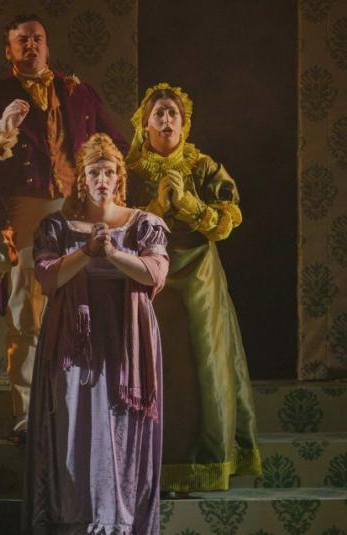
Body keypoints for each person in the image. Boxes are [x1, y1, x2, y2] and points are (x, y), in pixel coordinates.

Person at [0, 13, 128, 437]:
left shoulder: (78, 91)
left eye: (37, 38)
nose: (31, 45)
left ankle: (84, 404)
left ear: (47, 46)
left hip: (79, 206)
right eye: (22, 40)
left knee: (85, 305)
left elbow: (118, 144)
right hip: (25, 208)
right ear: (9, 51)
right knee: (27, 310)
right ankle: (27, 412)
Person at [24, 133, 167, 535]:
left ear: (119, 177)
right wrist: (86, 252)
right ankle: (73, 533)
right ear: (82, 180)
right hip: (74, 344)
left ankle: (116, 531)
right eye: (94, 172)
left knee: (118, 433)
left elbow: (154, 273)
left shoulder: (142, 223)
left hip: (125, 341)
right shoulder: (56, 226)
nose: (102, 179)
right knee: (73, 428)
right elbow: (48, 277)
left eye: (108, 172)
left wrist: (112, 254)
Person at [125, 83, 260, 493]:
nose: (167, 120)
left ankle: (204, 462)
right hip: (151, 278)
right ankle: (151, 465)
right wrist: (157, 208)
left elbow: (226, 221)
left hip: (200, 276)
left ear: (184, 125)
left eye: (173, 114)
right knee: (157, 365)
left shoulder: (203, 167)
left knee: (204, 363)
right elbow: (117, 225)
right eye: (159, 113)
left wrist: (187, 204)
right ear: (144, 125)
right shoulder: (130, 172)